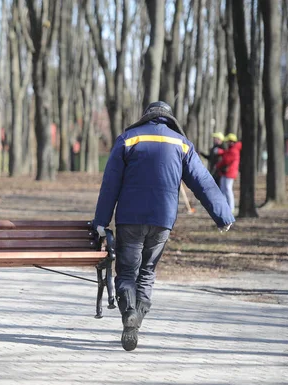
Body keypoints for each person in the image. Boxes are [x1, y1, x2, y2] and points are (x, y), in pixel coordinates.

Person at [93, 101, 235, 352]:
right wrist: (222, 215)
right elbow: (203, 182)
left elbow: (110, 184)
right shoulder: (181, 144)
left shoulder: (128, 138)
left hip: (130, 219)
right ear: (169, 119)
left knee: (127, 272)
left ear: (146, 117)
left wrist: (101, 222)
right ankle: (137, 318)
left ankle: (128, 315)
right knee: (147, 271)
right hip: (162, 221)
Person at [216, 133, 242, 213]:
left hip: (230, 173)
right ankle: (224, 207)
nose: (227, 143)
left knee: (228, 189)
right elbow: (226, 154)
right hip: (226, 173)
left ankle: (231, 208)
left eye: (228, 141)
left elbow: (226, 159)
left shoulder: (234, 150)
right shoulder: (232, 149)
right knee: (223, 189)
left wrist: (218, 165)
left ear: (232, 141)